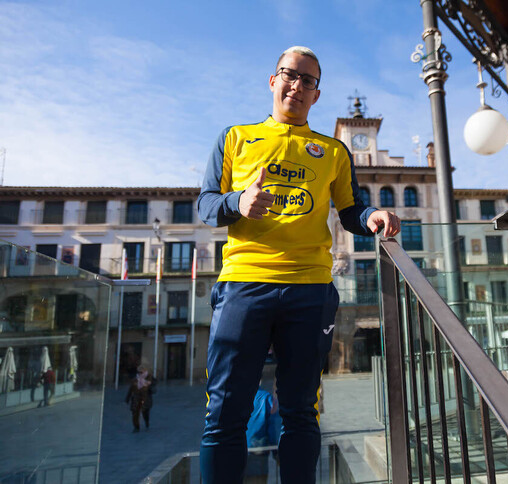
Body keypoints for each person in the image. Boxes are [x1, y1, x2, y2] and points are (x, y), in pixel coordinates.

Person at [197, 45, 400, 483]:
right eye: (289, 75)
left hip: (310, 289)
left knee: (300, 412)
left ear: (316, 94)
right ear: (273, 81)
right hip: (243, 285)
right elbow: (206, 206)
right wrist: (239, 200)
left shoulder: (333, 152)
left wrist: (372, 218)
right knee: (224, 412)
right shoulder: (233, 138)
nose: (297, 85)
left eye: (307, 80)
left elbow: (350, 211)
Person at [125, 366, 156, 432]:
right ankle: (136, 427)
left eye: (141, 372)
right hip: (136, 399)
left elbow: (154, 387)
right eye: (138, 372)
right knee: (135, 413)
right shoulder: (135, 380)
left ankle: (146, 422)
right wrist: (127, 398)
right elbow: (130, 390)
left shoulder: (149, 378)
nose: (140, 373)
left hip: (145, 399)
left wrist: (150, 385)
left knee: (145, 412)